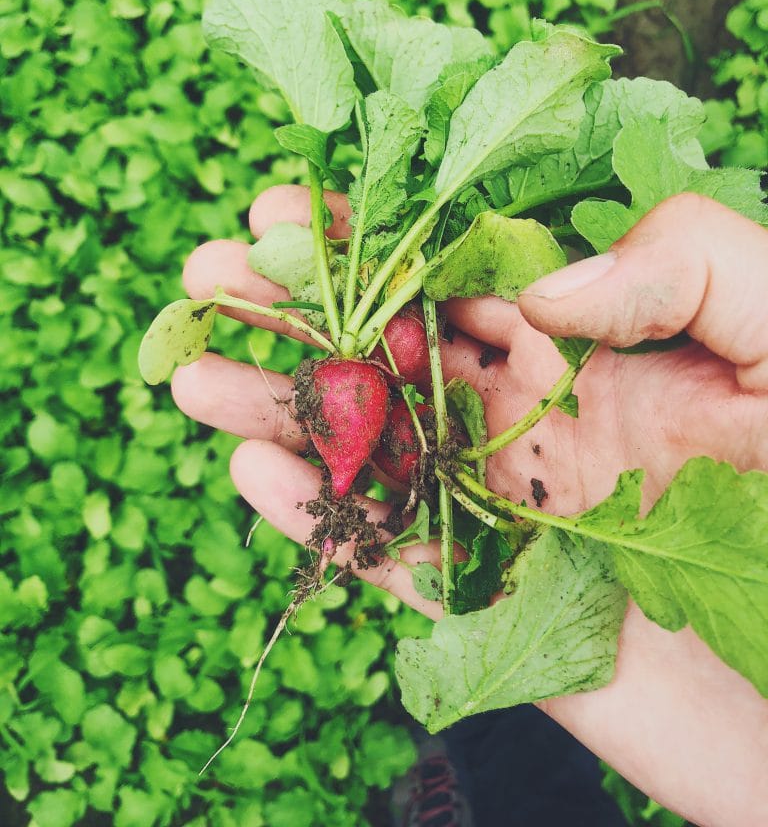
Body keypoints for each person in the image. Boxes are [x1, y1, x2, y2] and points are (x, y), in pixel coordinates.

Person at [172, 187, 768, 827]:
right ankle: (493, 755)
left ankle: (474, 766)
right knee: (523, 768)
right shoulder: (365, 382)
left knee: (506, 755)